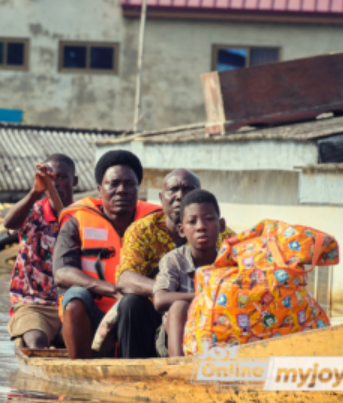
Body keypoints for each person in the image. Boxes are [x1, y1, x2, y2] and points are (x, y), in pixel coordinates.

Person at [111, 169, 235, 358]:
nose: (180, 196)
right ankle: (140, 371)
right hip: (160, 319)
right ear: (161, 197)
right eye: (173, 189)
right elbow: (125, 279)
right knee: (133, 303)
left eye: (188, 189)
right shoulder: (143, 230)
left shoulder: (226, 242)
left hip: (217, 322)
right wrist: (199, 295)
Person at [52, 149, 161, 359]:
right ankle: (79, 372)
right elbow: (62, 273)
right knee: (75, 297)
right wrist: (112, 290)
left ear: (138, 189)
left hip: (137, 313)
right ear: (100, 189)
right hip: (93, 315)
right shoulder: (77, 221)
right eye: (114, 184)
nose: (122, 190)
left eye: (130, 184)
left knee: (135, 303)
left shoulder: (154, 223)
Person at [5, 154, 77, 349]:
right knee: (37, 341)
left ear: (74, 181)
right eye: (51, 179)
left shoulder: (82, 216)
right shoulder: (34, 210)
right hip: (32, 303)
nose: (55, 184)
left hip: (69, 303)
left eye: (62, 177)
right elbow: (9, 223)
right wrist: (34, 192)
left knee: (77, 345)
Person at [152, 189, 225, 357]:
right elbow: (160, 299)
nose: (201, 227)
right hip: (176, 336)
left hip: (218, 331)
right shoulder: (174, 260)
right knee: (179, 306)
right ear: (181, 230)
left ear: (221, 225)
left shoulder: (230, 261)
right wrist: (206, 296)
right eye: (192, 221)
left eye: (209, 219)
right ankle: (179, 369)